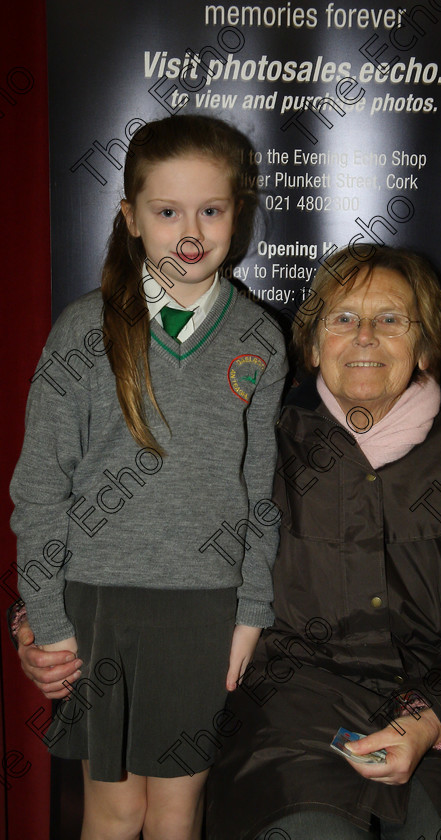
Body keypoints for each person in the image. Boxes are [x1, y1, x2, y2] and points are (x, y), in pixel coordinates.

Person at [204, 246, 441, 840]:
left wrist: (430, 718)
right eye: (342, 319)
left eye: (391, 319)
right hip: (291, 720)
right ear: (313, 346)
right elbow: (164, 550)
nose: (365, 335)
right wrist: (47, 614)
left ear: (425, 345)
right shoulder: (259, 446)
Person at [10, 114, 287, 840]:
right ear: (132, 218)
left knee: (174, 813)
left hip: (205, 611)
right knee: (114, 810)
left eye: (211, 209)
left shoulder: (260, 337)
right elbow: (39, 487)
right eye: (167, 211)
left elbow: (260, 493)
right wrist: (47, 617)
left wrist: (252, 611)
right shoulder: (82, 330)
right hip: (96, 606)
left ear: (237, 215)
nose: (189, 231)